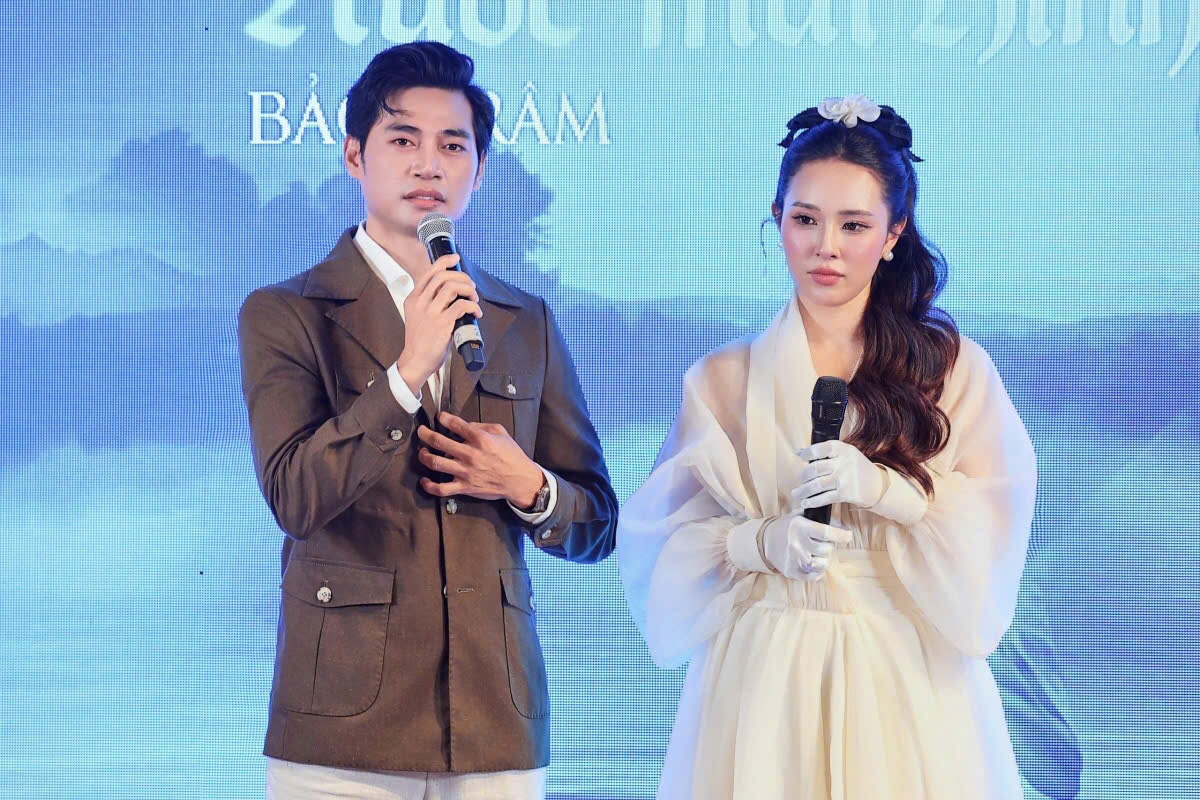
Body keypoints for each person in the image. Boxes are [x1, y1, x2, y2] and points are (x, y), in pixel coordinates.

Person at [618, 95, 1036, 799]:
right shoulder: (724, 378)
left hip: (903, 670)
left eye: (855, 224)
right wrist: (757, 542)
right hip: (765, 673)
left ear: (894, 232)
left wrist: (890, 492)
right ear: (777, 218)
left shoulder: (949, 368)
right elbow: (659, 545)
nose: (827, 247)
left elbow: (993, 530)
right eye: (805, 219)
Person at [237, 41, 618, 799]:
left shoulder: (522, 321)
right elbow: (295, 497)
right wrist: (407, 371)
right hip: (342, 729)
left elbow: (597, 525)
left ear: (480, 168)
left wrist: (529, 486)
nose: (428, 164)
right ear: (355, 155)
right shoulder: (287, 312)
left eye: (453, 145)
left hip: (496, 722)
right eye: (403, 139)